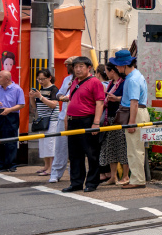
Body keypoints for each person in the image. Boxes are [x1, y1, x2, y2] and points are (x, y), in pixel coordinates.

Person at [60, 56, 105, 192]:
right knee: (74, 154)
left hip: (87, 119)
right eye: (76, 67)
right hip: (73, 120)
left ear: (88, 68)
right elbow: (71, 101)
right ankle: (76, 182)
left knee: (91, 153)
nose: (78, 70)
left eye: (81, 67)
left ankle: (92, 182)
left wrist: (96, 123)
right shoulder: (74, 82)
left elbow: (100, 103)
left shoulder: (95, 82)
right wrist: (67, 119)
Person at [108, 49, 148, 189]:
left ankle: (137, 180)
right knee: (136, 148)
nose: (117, 68)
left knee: (134, 149)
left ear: (124, 65)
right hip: (139, 112)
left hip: (134, 114)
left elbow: (134, 102)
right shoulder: (137, 75)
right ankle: (137, 178)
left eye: (118, 66)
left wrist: (132, 123)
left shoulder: (131, 80)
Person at [97, 65, 128, 185]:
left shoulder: (124, 83)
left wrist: (116, 98)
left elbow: (128, 98)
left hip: (120, 117)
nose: (105, 73)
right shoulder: (110, 84)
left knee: (122, 147)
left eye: (106, 71)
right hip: (109, 118)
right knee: (110, 147)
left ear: (112, 71)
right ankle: (113, 176)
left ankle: (125, 176)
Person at [0, 70, 25, 173]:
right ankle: (0, 164)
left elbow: (21, 104)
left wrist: (10, 109)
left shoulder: (17, 89)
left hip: (10, 116)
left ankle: (11, 164)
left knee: (10, 141)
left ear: (7, 79)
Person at [49, 57, 77, 183]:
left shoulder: (86, 80)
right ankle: (55, 173)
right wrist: (62, 97)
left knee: (75, 148)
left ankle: (75, 174)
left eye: (68, 65)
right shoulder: (67, 79)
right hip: (63, 115)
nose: (66, 68)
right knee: (60, 147)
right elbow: (58, 94)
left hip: (77, 116)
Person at [29, 69, 60, 176]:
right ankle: (46, 166)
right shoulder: (41, 90)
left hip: (52, 120)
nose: (41, 81)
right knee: (43, 143)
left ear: (49, 78)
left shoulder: (54, 89)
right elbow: (34, 107)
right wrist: (32, 97)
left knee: (50, 143)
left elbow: (53, 104)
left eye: (43, 79)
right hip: (43, 119)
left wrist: (40, 97)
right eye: (39, 79)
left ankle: (51, 168)